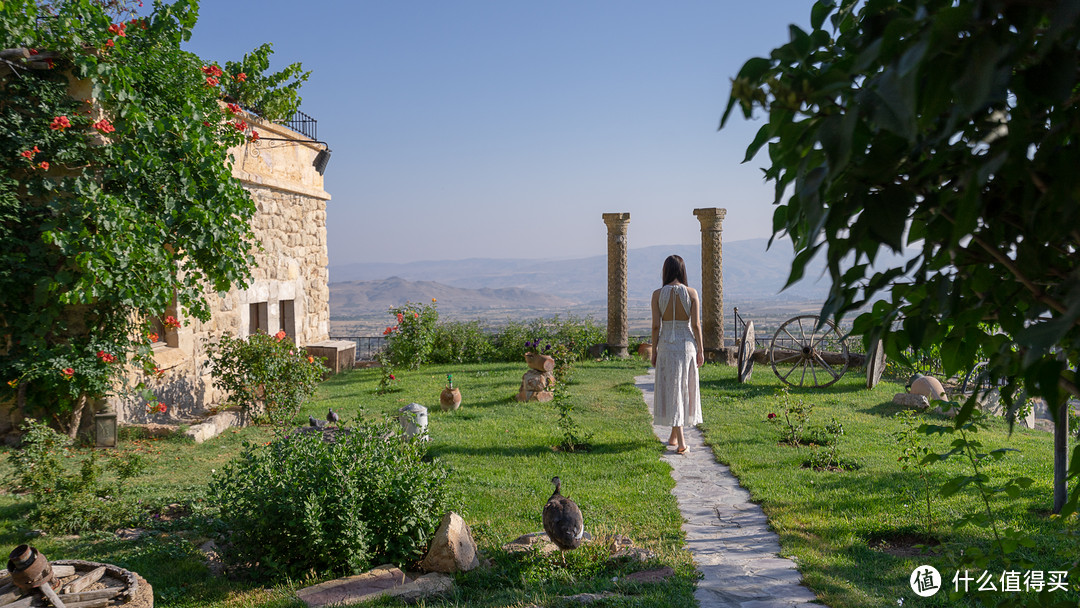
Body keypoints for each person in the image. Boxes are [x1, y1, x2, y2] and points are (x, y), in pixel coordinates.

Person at [650, 254, 704, 454]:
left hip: (666, 344)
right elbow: (696, 325)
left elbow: (656, 326)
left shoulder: (657, 294)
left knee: (672, 387)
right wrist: (701, 349)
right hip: (686, 344)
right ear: (682, 271)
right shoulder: (691, 293)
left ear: (666, 270)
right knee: (681, 388)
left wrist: (654, 349)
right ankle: (679, 439)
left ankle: (677, 437)